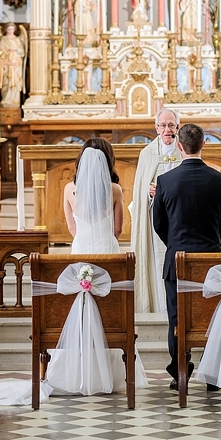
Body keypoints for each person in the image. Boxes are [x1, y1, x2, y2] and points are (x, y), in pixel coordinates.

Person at [51, 138, 147, 394]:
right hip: (108, 253)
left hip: (80, 251)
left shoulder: (69, 190)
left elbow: (72, 228)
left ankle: (78, 372)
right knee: (111, 312)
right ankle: (112, 374)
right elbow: (118, 230)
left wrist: (85, 237)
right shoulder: (115, 190)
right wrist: (104, 238)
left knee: (81, 310)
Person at [152, 123, 221, 391]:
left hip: (177, 260)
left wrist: (175, 244)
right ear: (204, 144)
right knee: (213, 317)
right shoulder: (220, 179)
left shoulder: (166, 181)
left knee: (177, 319)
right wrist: (212, 243)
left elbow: (159, 223)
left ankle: (179, 373)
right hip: (212, 259)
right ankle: (213, 376)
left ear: (179, 145)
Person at [130, 108, 181, 314]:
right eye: (163, 125)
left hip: (179, 219)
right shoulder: (147, 154)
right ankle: (158, 305)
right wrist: (150, 193)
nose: (167, 130)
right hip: (156, 220)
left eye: (171, 125)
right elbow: (139, 190)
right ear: (156, 128)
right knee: (156, 261)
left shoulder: (183, 150)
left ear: (178, 127)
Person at [0, 23, 27, 108]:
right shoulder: (3, 40)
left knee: (15, 82)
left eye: (12, 29)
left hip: (16, 64)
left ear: (14, 30)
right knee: (6, 82)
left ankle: (15, 101)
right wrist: (3, 62)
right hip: (6, 64)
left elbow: (22, 53)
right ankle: (6, 100)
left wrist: (15, 49)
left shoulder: (17, 40)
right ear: (6, 30)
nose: (10, 31)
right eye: (9, 29)